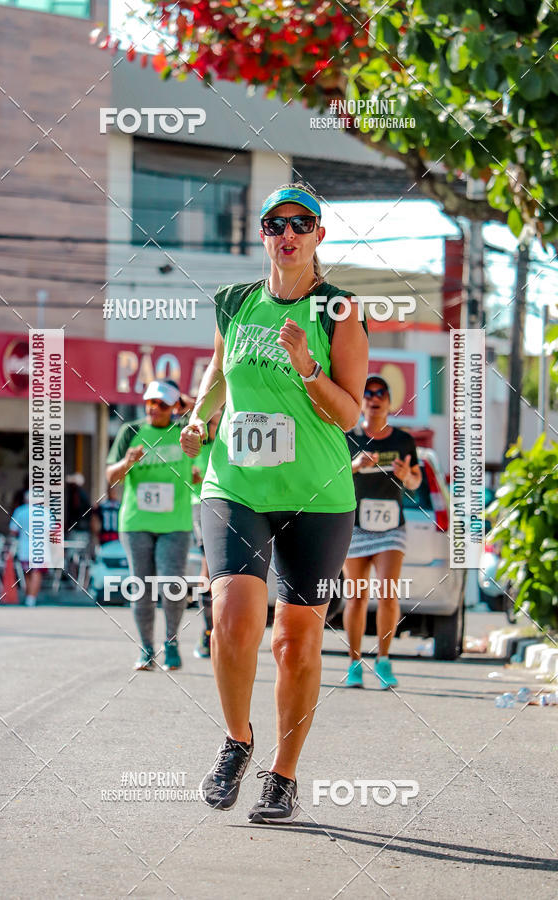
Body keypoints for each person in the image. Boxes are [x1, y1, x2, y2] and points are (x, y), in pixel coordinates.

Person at [180, 183, 368, 824]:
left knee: (296, 642)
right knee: (233, 616)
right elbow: (216, 373)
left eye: (302, 223)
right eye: (275, 223)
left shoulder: (337, 310)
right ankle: (237, 739)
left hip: (317, 495)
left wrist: (307, 366)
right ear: (262, 233)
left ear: (319, 235)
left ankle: (283, 774)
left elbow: (350, 414)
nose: (288, 233)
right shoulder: (234, 302)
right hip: (235, 483)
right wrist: (199, 417)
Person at [106, 379, 194, 672]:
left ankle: (171, 643)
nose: (154, 409)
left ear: (175, 408)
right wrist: (126, 464)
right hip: (136, 522)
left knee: (172, 585)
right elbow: (110, 476)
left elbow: (214, 420)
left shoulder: (185, 432)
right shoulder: (130, 431)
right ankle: (146, 649)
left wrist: (190, 405)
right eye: (150, 402)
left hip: (175, 523)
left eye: (162, 404)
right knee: (141, 587)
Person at [343, 374, 422, 689]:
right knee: (357, 597)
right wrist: (355, 465)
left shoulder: (403, 440)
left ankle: (385, 660)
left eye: (381, 393)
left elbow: (416, 481)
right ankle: (354, 663)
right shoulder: (348, 437)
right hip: (356, 525)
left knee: (388, 592)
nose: (375, 398)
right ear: (361, 402)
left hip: (392, 526)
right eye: (369, 393)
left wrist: (406, 476)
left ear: (389, 402)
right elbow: (333, 476)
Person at [189, 413, 221, 659]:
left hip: (237, 502)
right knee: (208, 568)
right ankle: (209, 630)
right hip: (202, 504)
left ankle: (221, 629)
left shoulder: (231, 428)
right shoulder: (197, 433)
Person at [9, 492, 50, 606]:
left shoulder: (20, 511)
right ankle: (31, 599)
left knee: (27, 573)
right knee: (37, 573)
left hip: (24, 548)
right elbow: (51, 531)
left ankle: (28, 597)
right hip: (41, 548)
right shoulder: (45, 512)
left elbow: (13, 530)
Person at [90, 484, 121, 550]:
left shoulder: (120, 506)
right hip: (104, 538)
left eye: (113, 490)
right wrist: (96, 534)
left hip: (117, 539)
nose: (112, 492)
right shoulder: (102, 506)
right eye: (111, 490)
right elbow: (94, 520)